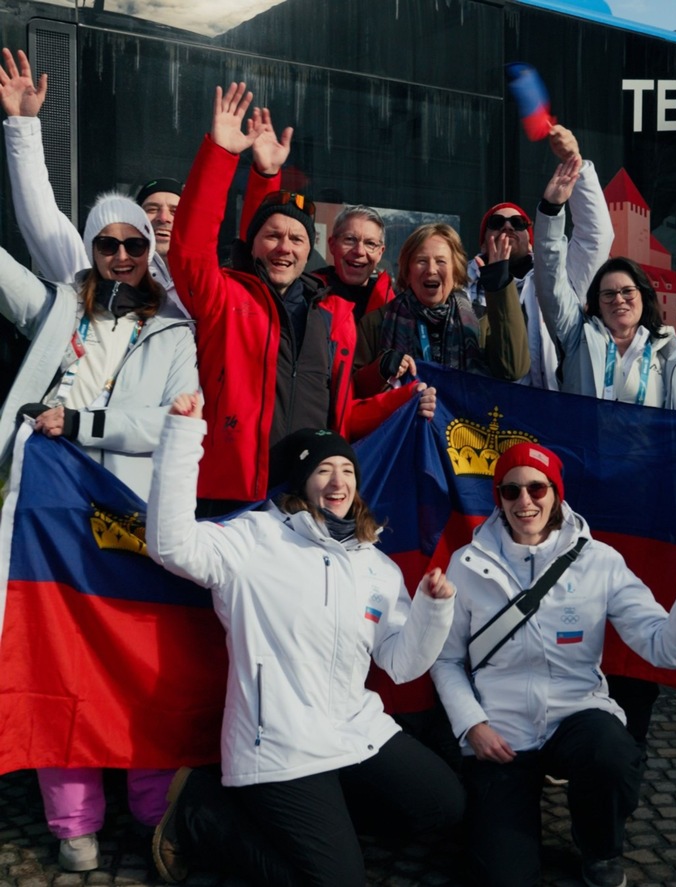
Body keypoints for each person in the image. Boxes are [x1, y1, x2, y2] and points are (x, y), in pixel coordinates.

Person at [146, 408, 465, 886]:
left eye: (348, 471)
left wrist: (432, 611)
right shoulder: (253, 540)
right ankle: (203, 815)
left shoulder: (377, 565)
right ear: (299, 480)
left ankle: (321, 827)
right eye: (322, 470)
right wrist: (183, 434)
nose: (338, 483)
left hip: (355, 732)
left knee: (444, 805)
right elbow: (170, 545)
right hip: (279, 744)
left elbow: (401, 664)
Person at [0, 192, 198, 870]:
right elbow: (9, 263)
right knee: (58, 654)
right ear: (90, 248)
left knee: (136, 660)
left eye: (134, 245)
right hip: (49, 514)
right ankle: (73, 820)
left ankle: (149, 804)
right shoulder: (58, 308)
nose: (121, 256)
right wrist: (21, 129)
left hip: (129, 517)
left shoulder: (177, 329)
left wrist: (80, 424)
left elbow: (167, 423)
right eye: (107, 244)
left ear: (150, 251)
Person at [431, 441, 676, 887]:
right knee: (503, 876)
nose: (525, 502)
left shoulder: (600, 562)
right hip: (501, 731)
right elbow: (445, 659)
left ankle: (600, 849)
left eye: (537, 489)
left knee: (612, 752)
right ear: (497, 498)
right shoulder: (467, 564)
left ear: (556, 493)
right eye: (511, 490)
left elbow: (668, 651)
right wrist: (472, 725)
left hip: (576, 714)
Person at [170, 81, 434, 514]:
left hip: (307, 504)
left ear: (309, 249)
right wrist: (222, 154)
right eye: (272, 236)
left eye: (296, 238)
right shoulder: (224, 296)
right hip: (230, 498)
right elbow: (190, 248)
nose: (284, 247)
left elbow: (344, 417)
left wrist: (405, 397)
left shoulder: (335, 314)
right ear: (251, 244)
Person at [0, 48, 186, 315]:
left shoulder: (202, 285)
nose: (164, 218)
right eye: (152, 209)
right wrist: (23, 126)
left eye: (175, 211)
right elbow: (41, 219)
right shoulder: (95, 266)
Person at [533, 155, 676, 414]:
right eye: (608, 294)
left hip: (648, 456)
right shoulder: (576, 338)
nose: (619, 299)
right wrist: (551, 210)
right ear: (597, 304)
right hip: (589, 454)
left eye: (627, 291)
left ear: (643, 296)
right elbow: (550, 278)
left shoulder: (674, 352)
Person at [467, 125, 614, 390]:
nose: (508, 227)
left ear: (531, 237)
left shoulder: (562, 278)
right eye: (497, 221)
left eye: (519, 223)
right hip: (486, 418)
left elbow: (596, 237)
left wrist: (577, 167)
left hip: (551, 414)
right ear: (482, 240)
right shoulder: (459, 283)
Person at [353, 222, 530, 396]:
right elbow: (355, 391)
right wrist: (380, 369)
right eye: (421, 261)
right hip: (406, 423)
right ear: (408, 271)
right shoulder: (376, 322)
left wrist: (499, 287)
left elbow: (512, 369)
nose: (431, 270)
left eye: (441, 261)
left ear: (456, 271)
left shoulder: (481, 321)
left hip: (464, 423)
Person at [312, 204, 394, 322]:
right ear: (332, 245)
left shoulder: (394, 308)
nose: (359, 251)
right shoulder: (306, 295)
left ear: (380, 253)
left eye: (370, 243)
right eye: (350, 239)